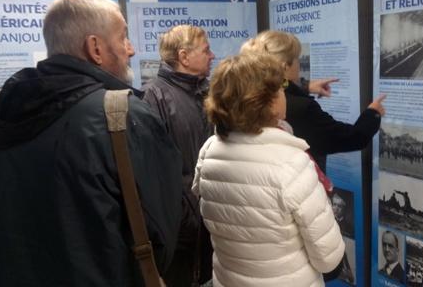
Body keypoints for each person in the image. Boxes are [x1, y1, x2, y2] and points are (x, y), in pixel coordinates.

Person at [0, 0, 183, 286]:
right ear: (95, 47)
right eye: (123, 38)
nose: (131, 50)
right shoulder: (121, 115)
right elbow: (161, 233)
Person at [192, 53, 345, 286]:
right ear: (269, 102)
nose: (285, 94)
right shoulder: (291, 163)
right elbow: (329, 258)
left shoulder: (209, 150)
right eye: (282, 88)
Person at [240, 30, 385, 171]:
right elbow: (353, 138)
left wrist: (305, 87)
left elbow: (281, 88)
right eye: (297, 58)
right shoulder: (302, 108)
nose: (299, 64)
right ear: (285, 67)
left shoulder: (241, 97)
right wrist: (373, 113)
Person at [142, 24, 215, 285]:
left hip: (211, 222)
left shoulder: (208, 92)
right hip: (183, 231)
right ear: (184, 57)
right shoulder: (154, 96)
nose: (212, 56)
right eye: (206, 50)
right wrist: (186, 217)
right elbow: (154, 171)